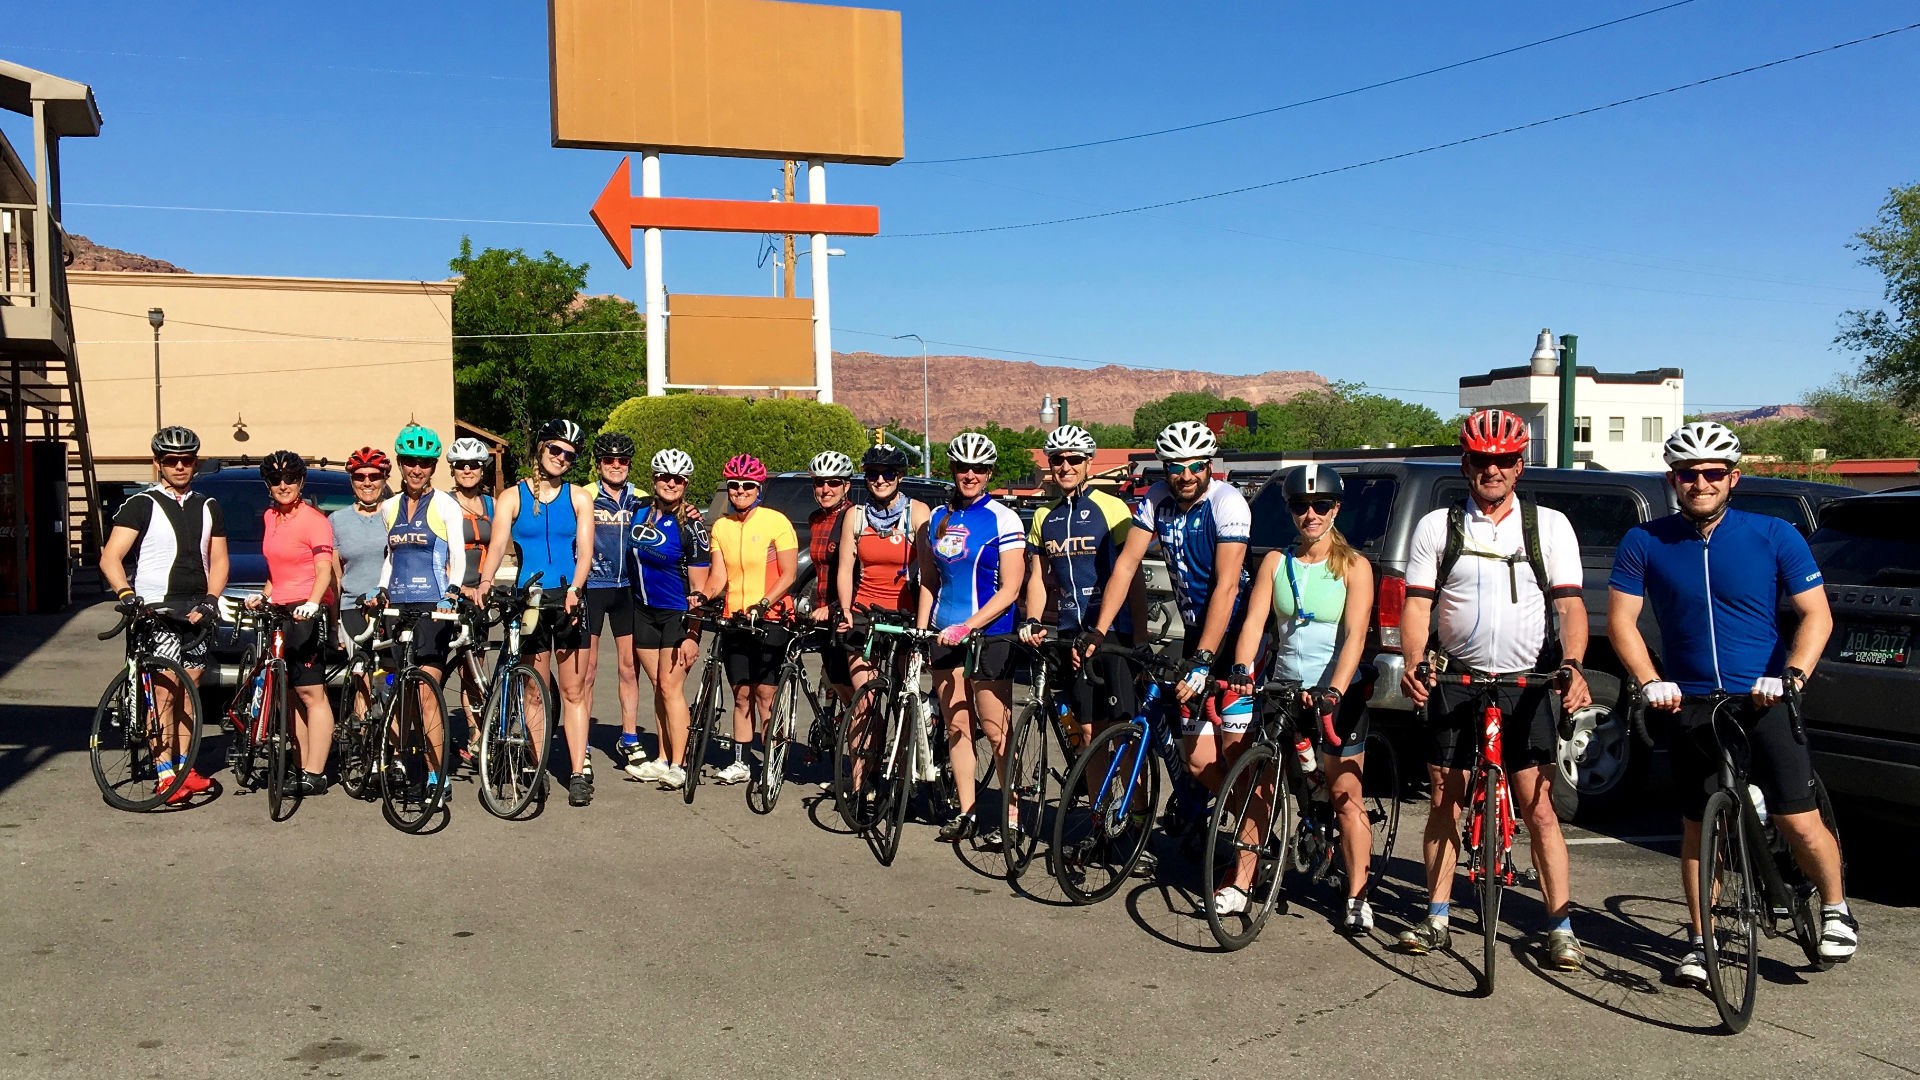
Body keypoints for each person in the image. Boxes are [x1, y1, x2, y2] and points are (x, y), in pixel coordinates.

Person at [1607, 421, 1854, 984]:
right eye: (1688, 474)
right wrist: (1650, 681)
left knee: (1797, 815)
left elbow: (1817, 615)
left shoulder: (1773, 534)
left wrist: (1791, 675)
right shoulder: (1645, 540)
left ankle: (1836, 907)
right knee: (1698, 827)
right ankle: (1699, 940)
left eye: (1712, 473)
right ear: (1673, 480)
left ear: (1733, 477)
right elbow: (1621, 622)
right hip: (1688, 703)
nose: (1700, 482)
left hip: (1764, 697)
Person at [1394, 408, 1592, 970]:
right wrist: (1414, 660)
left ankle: (1560, 925)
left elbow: (1570, 603)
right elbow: (1418, 602)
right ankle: (1435, 914)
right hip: (1456, 677)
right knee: (1444, 800)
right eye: (1482, 460)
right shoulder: (1439, 525)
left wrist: (1573, 665)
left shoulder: (1549, 525)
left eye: (1504, 460)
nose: (1493, 469)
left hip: (1523, 682)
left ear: (1520, 465)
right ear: (1466, 463)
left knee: (1540, 807)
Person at [1084, 421, 1251, 844]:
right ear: (1164, 468)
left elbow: (1227, 587)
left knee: (1233, 749)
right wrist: (1099, 630)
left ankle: (1258, 831)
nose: (1187, 475)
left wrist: (1204, 659)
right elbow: (1126, 565)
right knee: (1196, 759)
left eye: (1196, 466)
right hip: (1196, 629)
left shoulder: (1227, 503)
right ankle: (1243, 818)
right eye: (1176, 466)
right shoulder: (1157, 498)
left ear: (1209, 465)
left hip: (1238, 634)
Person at [1226, 464, 1377, 931]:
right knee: (1258, 787)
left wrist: (1334, 688)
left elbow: (1354, 636)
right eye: (1299, 506)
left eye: (1320, 506)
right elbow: (1255, 624)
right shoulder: (1275, 562)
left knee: (1344, 796)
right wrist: (1240, 671)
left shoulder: (1355, 566)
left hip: (1334, 694)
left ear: (1335, 509)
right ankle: (1241, 883)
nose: (1309, 514)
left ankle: (1356, 895)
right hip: (1284, 688)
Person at [98, 426, 228, 802]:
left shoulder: (208, 506)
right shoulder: (142, 503)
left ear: (196, 463)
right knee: (164, 693)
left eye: (187, 460)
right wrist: (126, 593)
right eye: (171, 461)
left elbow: (219, 562)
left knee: (190, 691)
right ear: (158, 464)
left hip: (196, 609)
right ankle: (164, 774)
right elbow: (111, 557)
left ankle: (185, 767)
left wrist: (211, 599)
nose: (180, 466)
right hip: (158, 608)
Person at [477, 419, 595, 806]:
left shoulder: (579, 498)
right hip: (527, 598)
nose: (561, 458)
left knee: (574, 691)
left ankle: (578, 773)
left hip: (567, 597)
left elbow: (585, 552)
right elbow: (496, 546)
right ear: (540, 451)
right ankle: (538, 764)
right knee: (534, 688)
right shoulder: (512, 496)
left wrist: (575, 590)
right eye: (555, 450)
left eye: (569, 455)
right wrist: (485, 581)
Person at [919, 432, 1026, 846]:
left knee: (995, 728)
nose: (970, 475)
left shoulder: (1003, 518)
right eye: (962, 468)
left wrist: (971, 625)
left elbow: (1011, 588)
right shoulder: (938, 519)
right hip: (943, 634)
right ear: (951, 470)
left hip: (990, 634)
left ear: (989, 474)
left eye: (978, 469)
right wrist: (924, 627)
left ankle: (1011, 813)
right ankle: (966, 812)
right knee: (956, 727)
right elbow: (930, 579)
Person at [372, 424, 467, 806]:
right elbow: (390, 559)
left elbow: (457, 557)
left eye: (424, 463)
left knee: (427, 693)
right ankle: (401, 763)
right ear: (399, 464)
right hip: (397, 606)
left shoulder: (445, 505)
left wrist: (452, 593)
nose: (416, 469)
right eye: (410, 462)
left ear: (432, 468)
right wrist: (380, 589)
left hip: (433, 608)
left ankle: (435, 773)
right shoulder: (388, 507)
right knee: (401, 692)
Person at [835, 443, 932, 802]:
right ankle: (862, 785)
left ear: (900, 477)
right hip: (864, 613)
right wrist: (846, 609)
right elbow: (846, 568)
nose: (880, 480)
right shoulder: (855, 516)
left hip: (905, 616)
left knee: (903, 704)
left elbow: (928, 573)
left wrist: (922, 625)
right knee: (865, 702)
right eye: (873, 473)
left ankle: (903, 779)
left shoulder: (918, 512)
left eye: (887, 474)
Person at [703, 453, 799, 786]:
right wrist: (702, 596)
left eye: (747, 485)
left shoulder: (777, 522)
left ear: (758, 488)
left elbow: (788, 575)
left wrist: (763, 603)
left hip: (770, 618)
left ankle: (772, 762)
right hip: (735, 620)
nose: (740, 491)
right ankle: (741, 762)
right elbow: (717, 578)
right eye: (734, 485)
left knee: (765, 696)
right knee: (741, 693)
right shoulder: (721, 526)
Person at [245, 450, 337, 795]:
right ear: (267, 484)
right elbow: (277, 571)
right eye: (275, 480)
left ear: (301, 481)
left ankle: (316, 772)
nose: (283, 485)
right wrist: (264, 596)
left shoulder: (314, 520)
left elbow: (324, 570)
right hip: (280, 610)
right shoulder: (270, 517)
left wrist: (314, 603)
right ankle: (299, 765)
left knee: (312, 693)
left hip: (305, 610)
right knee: (289, 695)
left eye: (290, 479)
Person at [623, 448, 713, 791]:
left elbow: (699, 586)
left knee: (672, 688)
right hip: (643, 611)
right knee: (658, 687)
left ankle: (681, 762)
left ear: (685, 483)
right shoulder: (638, 510)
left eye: (678, 479)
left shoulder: (692, 526)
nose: (670, 483)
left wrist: (693, 631)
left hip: (677, 614)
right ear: (654, 479)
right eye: (664, 477)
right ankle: (662, 758)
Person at [581, 432, 649, 770]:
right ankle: (585, 741)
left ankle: (630, 737)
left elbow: (670, 517)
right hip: (592, 586)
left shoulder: (642, 499)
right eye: (609, 460)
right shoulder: (585, 496)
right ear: (599, 463)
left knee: (628, 668)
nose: (616, 466)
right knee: (588, 670)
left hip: (627, 589)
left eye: (622, 460)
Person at [332, 447, 392, 728]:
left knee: (390, 675)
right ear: (352, 481)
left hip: (390, 607)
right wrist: (333, 621)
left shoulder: (394, 515)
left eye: (374, 476)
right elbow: (334, 574)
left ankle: (390, 745)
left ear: (384, 478)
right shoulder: (337, 521)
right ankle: (361, 736)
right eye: (360, 477)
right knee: (362, 674)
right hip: (353, 606)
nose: (367, 482)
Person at [445, 436, 495, 762]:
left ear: (482, 469)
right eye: (461, 465)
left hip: (482, 594)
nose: (467, 470)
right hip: (452, 592)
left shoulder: (492, 504)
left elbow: (501, 543)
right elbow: (440, 550)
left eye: (473, 465)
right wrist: (458, 588)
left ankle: (480, 731)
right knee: (457, 664)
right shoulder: (444, 503)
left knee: (475, 662)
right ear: (452, 469)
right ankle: (469, 732)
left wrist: (487, 587)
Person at [803, 450, 857, 715]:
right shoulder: (816, 519)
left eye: (833, 482)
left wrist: (835, 606)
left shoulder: (854, 518)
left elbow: (860, 574)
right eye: (819, 482)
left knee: (855, 696)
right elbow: (817, 569)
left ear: (846, 485)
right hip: (823, 614)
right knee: (837, 684)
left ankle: (866, 752)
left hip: (847, 613)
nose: (826, 489)